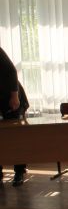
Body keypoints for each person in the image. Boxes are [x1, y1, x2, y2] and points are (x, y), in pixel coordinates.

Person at [0, 47, 29, 187]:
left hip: (13, 97)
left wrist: (14, 96)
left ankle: (19, 172)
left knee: (16, 137)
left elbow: (12, 71)